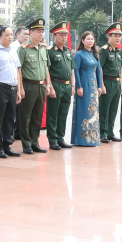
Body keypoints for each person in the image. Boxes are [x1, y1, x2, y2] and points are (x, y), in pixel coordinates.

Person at [17, 18, 54, 154]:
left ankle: (34, 141)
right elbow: (18, 70)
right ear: (31, 32)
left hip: (41, 86)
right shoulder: (23, 49)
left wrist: (48, 85)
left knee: (37, 116)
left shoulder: (44, 48)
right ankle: (26, 143)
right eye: (38, 31)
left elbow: (46, 68)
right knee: (26, 115)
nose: (41, 34)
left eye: (42, 31)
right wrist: (20, 88)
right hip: (28, 85)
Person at [0, 26, 21, 158]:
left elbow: (17, 71)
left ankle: (7, 145)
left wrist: (19, 90)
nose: (10, 37)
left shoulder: (13, 51)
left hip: (13, 88)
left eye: (11, 34)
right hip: (0, 87)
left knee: (9, 118)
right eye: (7, 34)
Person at [71, 31, 103, 147]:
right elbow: (76, 71)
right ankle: (82, 139)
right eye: (88, 39)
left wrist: (100, 86)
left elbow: (98, 71)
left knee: (93, 112)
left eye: (92, 39)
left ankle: (93, 138)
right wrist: (78, 86)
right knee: (84, 111)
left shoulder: (95, 54)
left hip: (93, 87)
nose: (90, 41)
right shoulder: (79, 54)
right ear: (83, 41)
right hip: (83, 85)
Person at [46, 22, 74, 150]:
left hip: (67, 86)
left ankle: (60, 137)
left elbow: (72, 69)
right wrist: (50, 86)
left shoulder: (68, 51)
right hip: (56, 84)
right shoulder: (50, 51)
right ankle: (52, 139)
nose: (64, 37)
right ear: (54, 35)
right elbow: (47, 70)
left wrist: (73, 85)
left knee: (63, 112)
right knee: (53, 113)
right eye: (61, 35)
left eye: (65, 35)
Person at [99, 23, 122, 142]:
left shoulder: (118, 51)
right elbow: (100, 68)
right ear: (109, 37)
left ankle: (110, 132)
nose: (118, 38)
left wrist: (121, 85)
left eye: (119, 35)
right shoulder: (104, 50)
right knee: (105, 109)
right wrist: (102, 85)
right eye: (115, 35)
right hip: (107, 82)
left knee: (113, 109)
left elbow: (120, 68)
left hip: (117, 83)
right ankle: (102, 132)